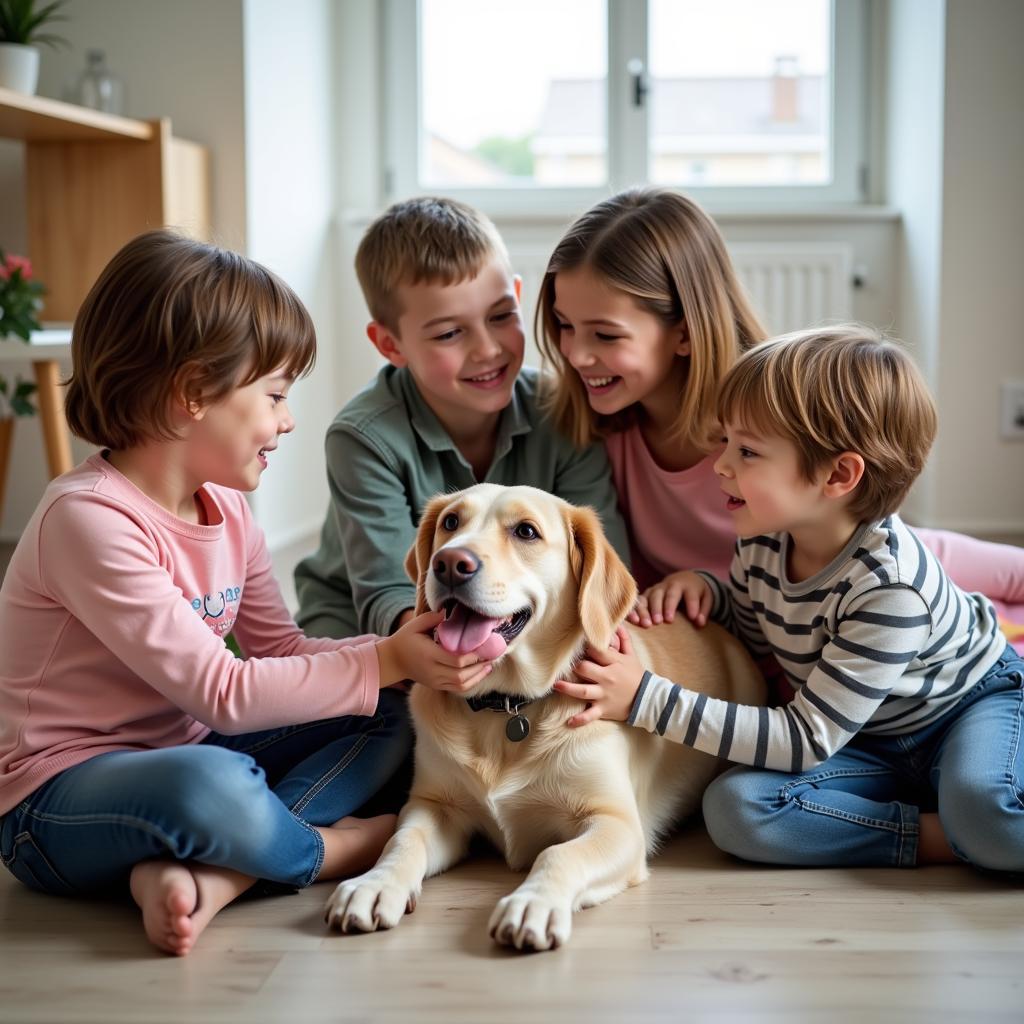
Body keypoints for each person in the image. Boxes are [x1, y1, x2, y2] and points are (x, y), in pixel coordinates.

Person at [0, 230, 494, 957]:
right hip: (54, 803)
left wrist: (397, 660)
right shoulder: (88, 520)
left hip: (192, 746)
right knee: (214, 783)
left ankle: (213, 871)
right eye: (274, 395)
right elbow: (223, 693)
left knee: (390, 708)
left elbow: (284, 654)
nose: (288, 419)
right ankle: (325, 850)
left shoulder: (227, 509)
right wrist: (387, 658)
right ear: (195, 392)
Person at [555, 326, 1024, 872]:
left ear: (839, 475)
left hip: (966, 708)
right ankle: (938, 832)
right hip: (866, 737)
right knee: (736, 808)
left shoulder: (890, 588)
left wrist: (645, 698)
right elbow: (759, 636)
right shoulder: (759, 543)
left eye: (747, 450)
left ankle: (963, 826)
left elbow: (804, 738)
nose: (721, 464)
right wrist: (709, 592)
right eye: (726, 441)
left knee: (990, 816)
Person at [536, 187, 1024, 646]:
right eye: (563, 325)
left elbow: (870, 545)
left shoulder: (767, 424)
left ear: (684, 333)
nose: (576, 354)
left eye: (605, 335)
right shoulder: (597, 429)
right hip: (742, 619)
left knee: (980, 595)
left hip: (850, 584)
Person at [294, 196, 628, 640]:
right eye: (450, 333)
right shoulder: (362, 437)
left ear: (518, 297)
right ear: (390, 345)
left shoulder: (562, 410)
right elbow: (388, 595)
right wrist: (456, 654)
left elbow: (597, 572)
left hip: (501, 619)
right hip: (363, 627)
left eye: (502, 316)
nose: (487, 349)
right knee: (378, 710)